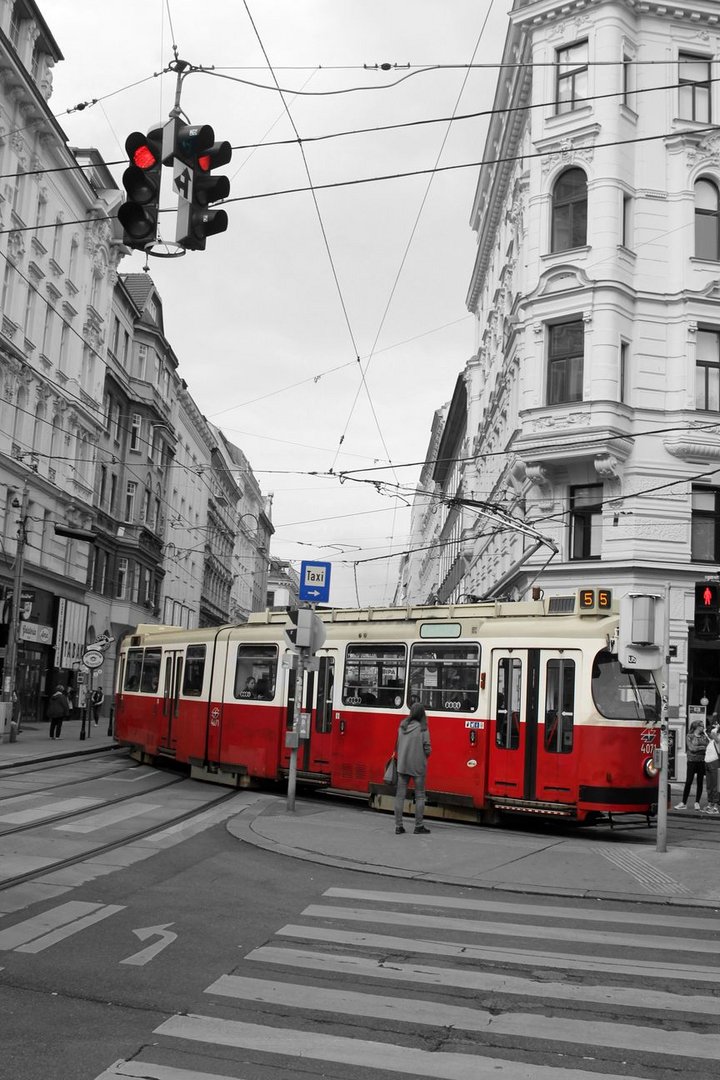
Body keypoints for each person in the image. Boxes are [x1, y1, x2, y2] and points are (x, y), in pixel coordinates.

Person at [393, 702, 432, 835]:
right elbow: (427, 748)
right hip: (418, 766)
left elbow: (397, 744)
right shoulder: (423, 728)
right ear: (422, 714)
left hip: (402, 765)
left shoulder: (402, 725)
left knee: (400, 796)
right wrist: (424, 755)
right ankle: (418, 826)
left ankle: (398, 826)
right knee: (420, 796)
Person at [675, 718, 708, 810]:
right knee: (688, 781)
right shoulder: (689, 736)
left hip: (701, 762)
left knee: (700, 782)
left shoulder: (704, 736)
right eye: (702, 726)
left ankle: (697, 802)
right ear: (697, 726)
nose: (703, 727)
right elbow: (692, 748)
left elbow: (709, 746)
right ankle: (683, 802)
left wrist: (701, 747)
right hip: (691, 762)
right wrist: (703, 747)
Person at [703, 723, 720, 815]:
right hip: (708, 763)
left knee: (715, 785)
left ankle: (716, 806)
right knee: (709, 786)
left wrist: (717, 727)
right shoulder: (712, 741)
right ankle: (710, 804)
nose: (710, 733)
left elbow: (713, 734)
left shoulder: (718, 739)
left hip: (714, 763)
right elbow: (709, 734)